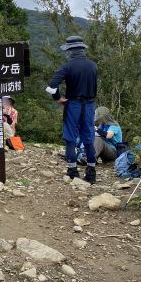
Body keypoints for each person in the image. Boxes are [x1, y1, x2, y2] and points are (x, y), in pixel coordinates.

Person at [45, 35, 98, 183]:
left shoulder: (67, 67)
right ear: (82, 49)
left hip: (73, 104)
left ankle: (73, 171)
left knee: (70, 138)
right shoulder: (93, 66)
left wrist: (58, 99)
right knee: (88, 138)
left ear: (70, 51)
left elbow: (51, 87)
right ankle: (91, 173)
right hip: (89, 105)